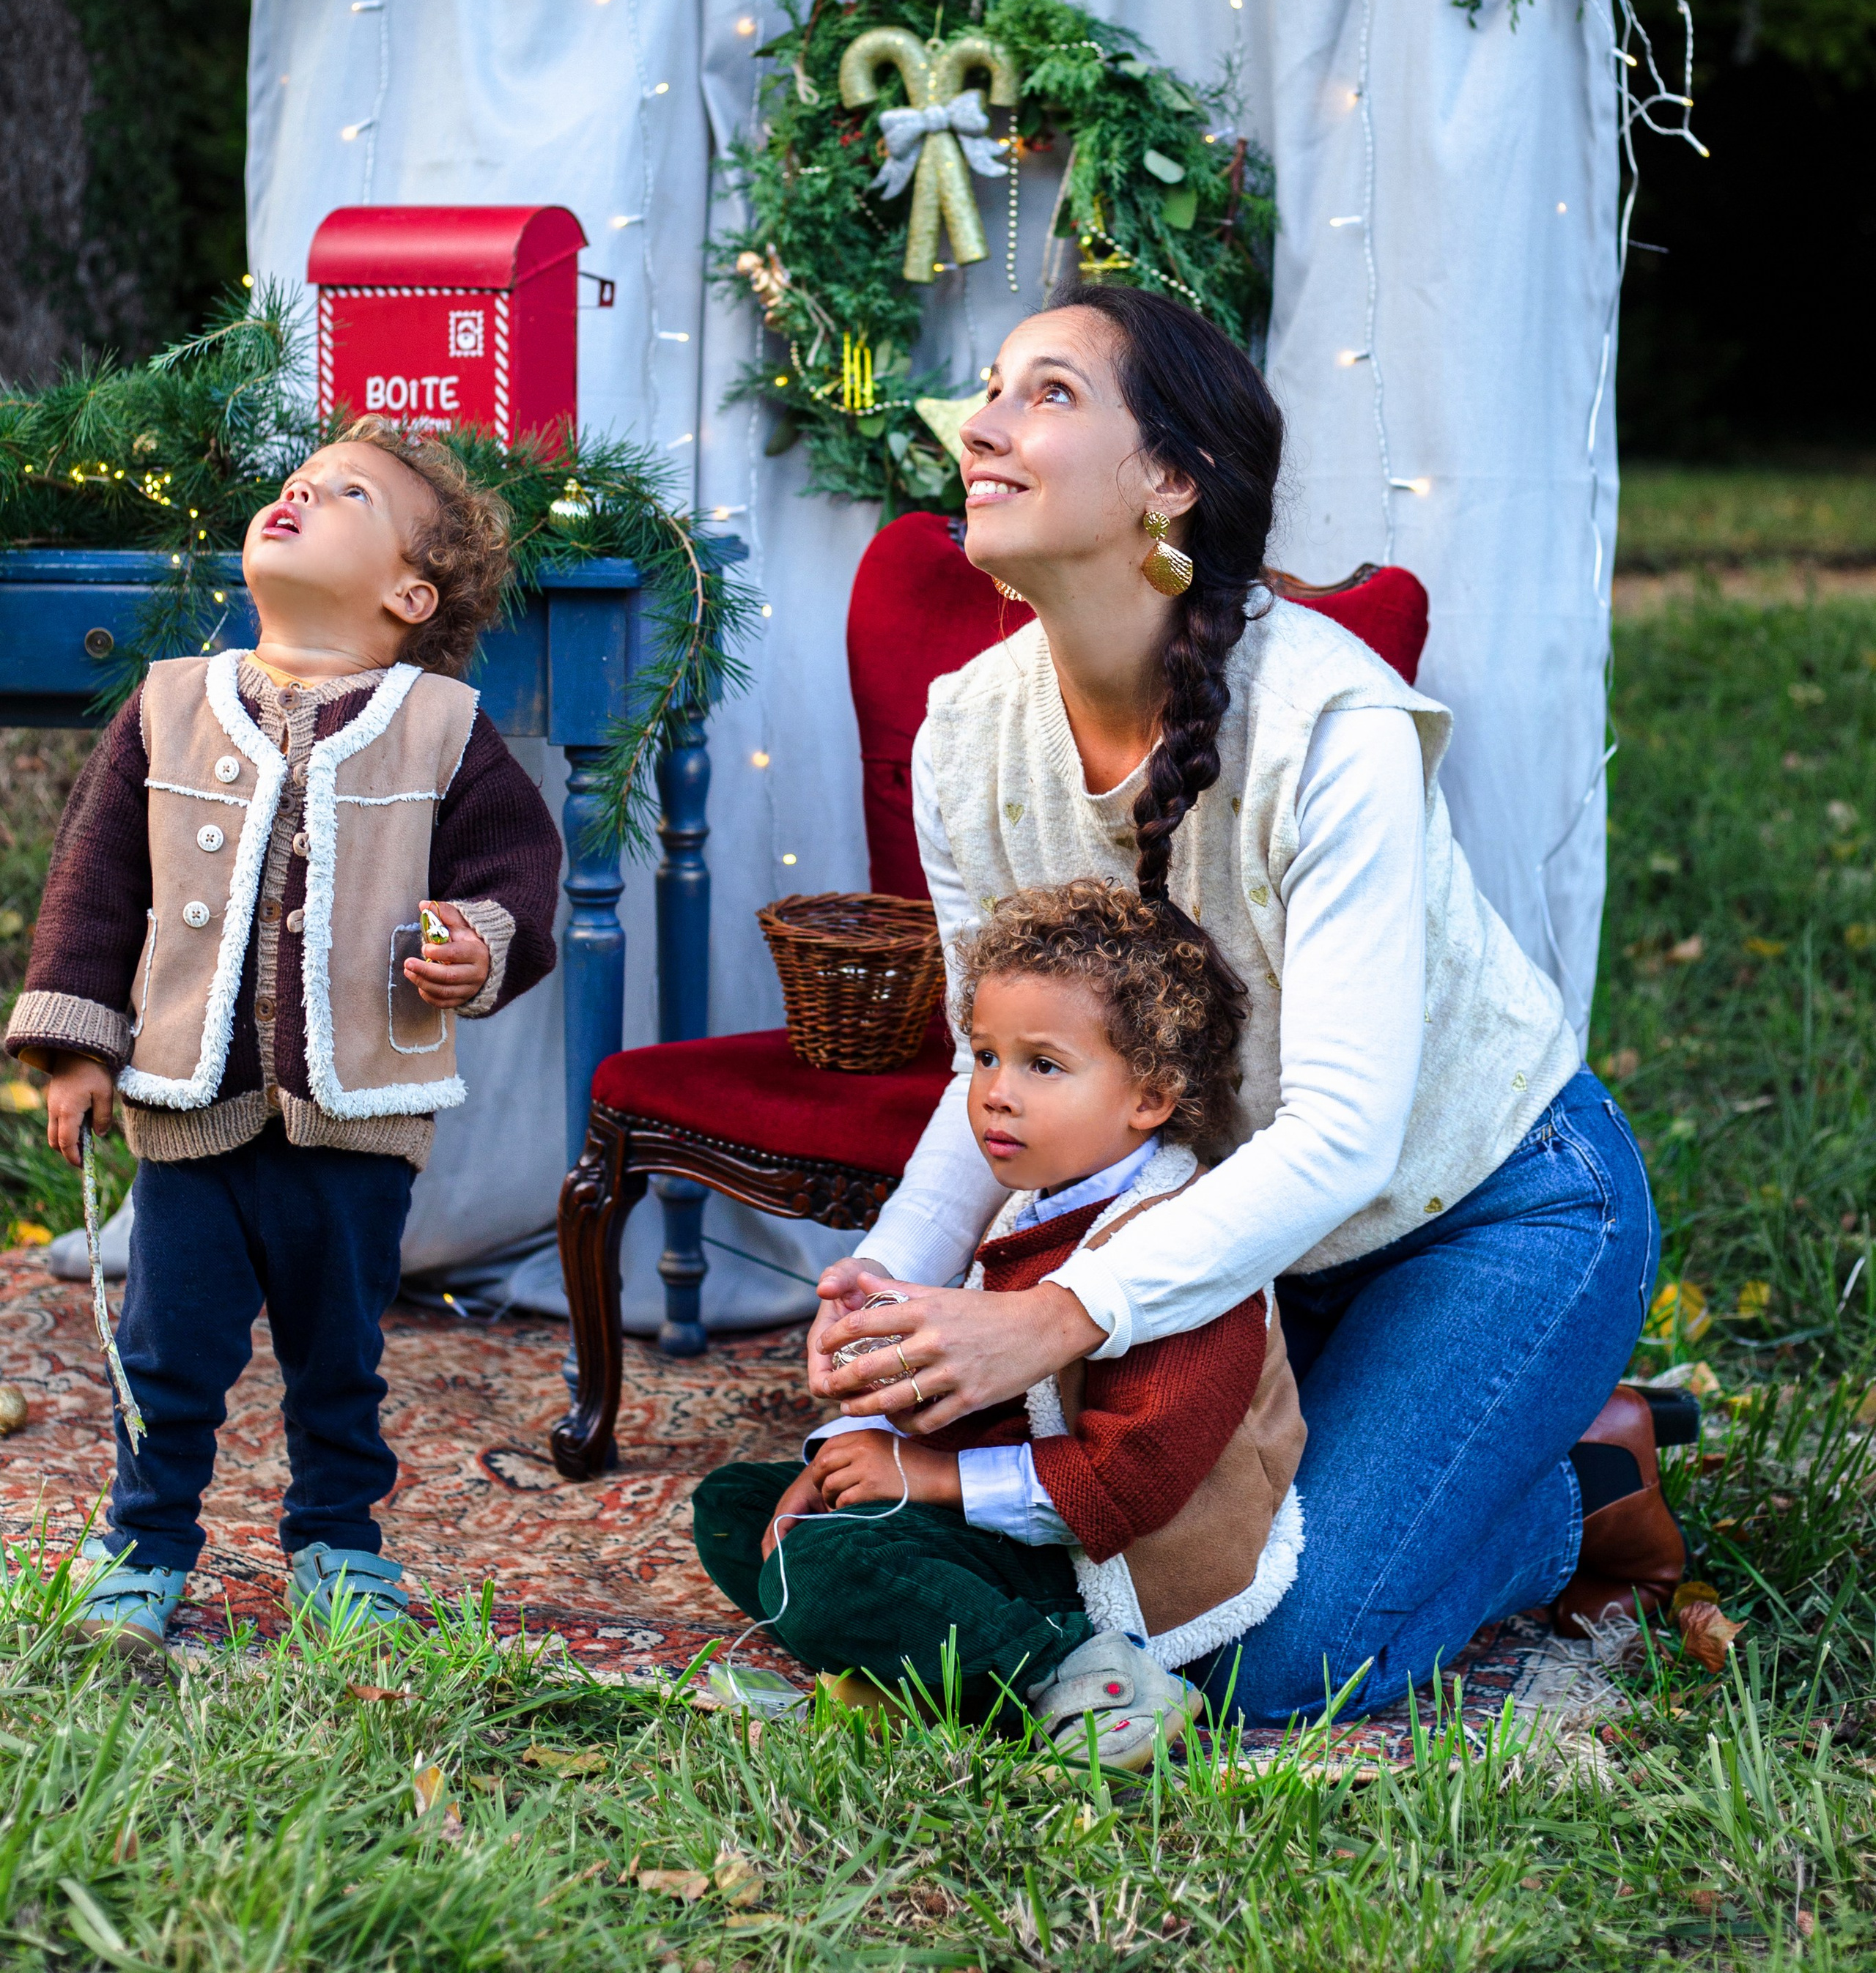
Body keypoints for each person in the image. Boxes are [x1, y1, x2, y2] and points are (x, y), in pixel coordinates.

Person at [804, 288, 1683, 1722]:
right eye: (987, 391)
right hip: (1225, 1252)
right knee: (1073, 1569)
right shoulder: (965, 732)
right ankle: (1442, 1438)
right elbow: (994, 1080)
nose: (981, 425)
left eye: (1046, 393)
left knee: (1273, 1652)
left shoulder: (1327, 724)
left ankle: (1584, 1485)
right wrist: (889, 1311)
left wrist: (1061, 1319)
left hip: (1485, 1212)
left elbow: (1341, 1134)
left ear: (1169, 478)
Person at [7, 419, 563, 1654]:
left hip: (352, 1117)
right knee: (168, 1348)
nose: (299, 495)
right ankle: (144, 1544)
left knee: (340, 1358)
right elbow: (95, 884)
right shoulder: (170, 704)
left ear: (408, 592)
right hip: (188, 1106)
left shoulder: (441, 728)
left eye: (345, 494)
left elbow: (517, 874)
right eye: (297, 482)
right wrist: (79, 1046)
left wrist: (477, 941)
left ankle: (339, 1540)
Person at [693, 880, 1307, 1764]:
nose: (994, 1095)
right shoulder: (1033, 1203)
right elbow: (967, 1391)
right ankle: (919, 1667)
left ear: (1153, 1095)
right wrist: (848, 1456)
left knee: (822, 1572)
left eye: (1041, 1065)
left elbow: (1129, 1487)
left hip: (1116, 1563)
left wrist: (924, 1479)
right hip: (1018, 1510)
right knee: (734, 1509)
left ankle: (1083, 1673)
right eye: (984, 1056)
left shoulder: (1181, 1246)